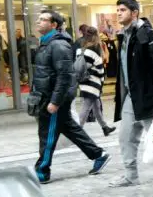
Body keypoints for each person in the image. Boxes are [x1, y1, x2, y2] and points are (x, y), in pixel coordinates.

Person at [31, 10, 111, 184]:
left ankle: (42, 170)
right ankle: (98, 154)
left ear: (54, 25)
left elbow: (64, 76)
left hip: (53, 99)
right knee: (70, 129)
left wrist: (55, 101)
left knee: (47, 135)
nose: (38, 22)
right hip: (47, 97)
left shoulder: (58, 45)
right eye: (38, 19)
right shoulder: (45, 43)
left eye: (43, 20)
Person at [111, 0, 153, 187]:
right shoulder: (123, 36)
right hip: (131, 96)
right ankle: (131, 175)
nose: (119, 13)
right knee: (126, 137)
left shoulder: (147, 34)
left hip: (148, 96)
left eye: (122, 10)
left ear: (134, 12)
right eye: (118, 10)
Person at [77, 26, 116, 136]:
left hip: (83, 81)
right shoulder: (96, 47)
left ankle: (104, 127)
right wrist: (102, 78)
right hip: (93, 82)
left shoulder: (80, 49)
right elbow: (99, 67)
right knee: (86, 106)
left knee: (96, 106)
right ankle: (77, 131)